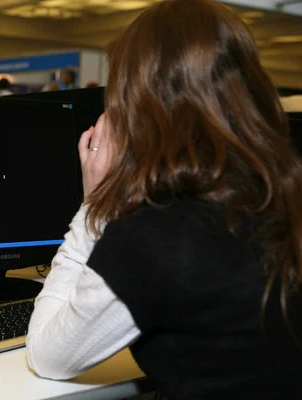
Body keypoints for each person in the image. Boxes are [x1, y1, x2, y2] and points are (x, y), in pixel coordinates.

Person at [26, 0, 302, 399]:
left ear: (137, 105)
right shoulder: (281, 196)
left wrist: (96, 207)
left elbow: (48, 356)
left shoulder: (157, 235)